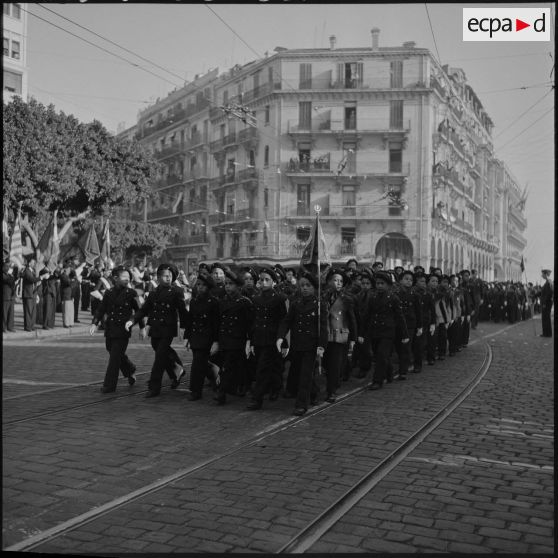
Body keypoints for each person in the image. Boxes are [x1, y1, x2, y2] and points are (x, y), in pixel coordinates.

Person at [132, 263, 188, 398]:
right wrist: (133, 320)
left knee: (159, 356)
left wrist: (183, 328)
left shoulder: (176, 292)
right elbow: (144, 309)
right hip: (155, 327)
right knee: (159, 350)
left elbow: (182, 311)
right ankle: (176, 370)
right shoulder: (153, 293)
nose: (168, 278)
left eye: (171, 276)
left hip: (168, 328)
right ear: (158, 277)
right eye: (165, 276)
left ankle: (154, 386)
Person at [276, 270, 328, 416]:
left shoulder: (319, 305)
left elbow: (323, 327)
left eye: (308, 285)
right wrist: (280, 336)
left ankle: (301, 405)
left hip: (311, 346)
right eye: (302, 285)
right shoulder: (296, 304)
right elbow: (287, 321)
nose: (305, 288)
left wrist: (322, 345)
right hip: (297, 345)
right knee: (302, 373)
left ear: (314, 287)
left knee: (305, 375)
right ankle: (313, 394)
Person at [90, 266, 140, 393]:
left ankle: (109, 385)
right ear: (116, 278)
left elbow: (139, 311)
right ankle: (130, 369)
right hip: (110, 328)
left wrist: (141, 326)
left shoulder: (132, 293)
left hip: (123, 330)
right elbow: (101, 309)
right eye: (124, 277)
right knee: (113, 352)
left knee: (114, 358)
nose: (127, 280)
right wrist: (94, 323)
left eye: (129, 278)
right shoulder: (109, 293)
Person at [246, 267, 288, 410]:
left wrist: (283, 341)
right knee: (269, 367)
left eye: (267, 280)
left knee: (264, 369)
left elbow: (284, 321)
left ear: (274, 282)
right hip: (259, 338)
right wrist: (251, 341)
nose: (263, 282)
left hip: (273, 339)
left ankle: (257, 399)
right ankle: (275, 388)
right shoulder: (256, 299)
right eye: (261, 280)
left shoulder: (280, 298)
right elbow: (253, 321)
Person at [214, 269, 253, 405]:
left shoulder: (244, 302)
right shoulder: (222, 301)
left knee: (229, 366)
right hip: (225, 339)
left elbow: (249, 323)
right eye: (226, 284)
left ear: (238, 286)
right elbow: (219, 322)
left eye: (231, 284)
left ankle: (222, 393)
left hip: (238, 339)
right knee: (237, 366)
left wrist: (249, 340)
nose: (228, 286)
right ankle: (240, 386)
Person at [364, 271, 409, 390]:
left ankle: (377, 380)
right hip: (375, 331)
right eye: (377, 283)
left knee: (382, 355)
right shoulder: (372, 297)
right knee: (378, 355)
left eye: (382, 283)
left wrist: (405, 334)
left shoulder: (393, 298)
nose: (379, 286)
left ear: (388, 285)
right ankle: (389, 371)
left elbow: (400, 317)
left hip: (388, 332)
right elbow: (367, 316)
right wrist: (363, 332)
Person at [183, 272, 220, 401]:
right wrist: (187, 337)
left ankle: (195, 391)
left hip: (207, 338)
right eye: (198, 285)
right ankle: (216, 377)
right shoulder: (194, 301)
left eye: (203, 285)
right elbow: (190, 320)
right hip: (195, 337)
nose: (200, 287)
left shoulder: (214, 302)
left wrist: (216, 341)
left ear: (209, 287)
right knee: (202, 364)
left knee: (197, 364)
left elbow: (216, 324)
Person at [322, 268, 357, 402]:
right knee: (326, 364)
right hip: (325, 335)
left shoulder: (346, 299)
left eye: (341, 281)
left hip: (339, 335)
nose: (338, 283)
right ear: (329, 281)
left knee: (335, 365)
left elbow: (352, 319)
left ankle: (332, 391)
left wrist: (353, 337)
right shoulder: (323, 297)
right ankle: (332, 384)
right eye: (335, 280)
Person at [392, 270, 422, 380]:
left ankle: (403, 371)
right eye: (406, 279)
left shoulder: (415, 295)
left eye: (410, 280)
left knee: (406, 347)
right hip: (397, 324)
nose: (408, 281)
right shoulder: (395, 294)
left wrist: (420, 326)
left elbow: (419, 312)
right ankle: (400, 366)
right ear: (400, 280)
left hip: (410, 324)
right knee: (398, 347)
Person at [21, 259, 39, 331]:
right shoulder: (27, 271)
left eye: (34, 262)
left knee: (33, 311)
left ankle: (32, 325)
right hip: (28, 294)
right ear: (29, 263)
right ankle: (28, 327)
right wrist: (41, 278)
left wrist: (36, 294)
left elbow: (35, 283)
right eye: (33, 262)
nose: (34, 264)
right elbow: (32, 279)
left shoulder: (33, 271)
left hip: (33, 294)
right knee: (28, 311)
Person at [2, 261, 17, 332]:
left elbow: (15, 280)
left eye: (9, 267)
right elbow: (9, 281)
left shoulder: (9, 275)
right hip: (5, 296)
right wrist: (11, 275)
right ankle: (3, 328)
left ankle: (10, 327)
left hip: (11, 295)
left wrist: (15, 268)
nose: (8, 268)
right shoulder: (4, 275)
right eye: (7, 266)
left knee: (11, 313)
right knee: (4, 313)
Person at [59, 264, 74, 328]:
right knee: (66, 311)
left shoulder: (67, 276)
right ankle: (66, 323)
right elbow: (68, 283)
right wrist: (73, 281)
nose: (70, 270)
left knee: (70, 310)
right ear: (65, 269)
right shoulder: (63, 276)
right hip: (65, 295)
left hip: (69, 295)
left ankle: (70, 322)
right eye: (69, 269)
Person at [540, 269, 553, 337]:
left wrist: (544, 303)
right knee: (545, 318)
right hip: (546, 303)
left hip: (546, 304)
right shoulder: (547, 282)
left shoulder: (548, 282)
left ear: (545, 274)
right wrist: (533, 295)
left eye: (542, 274)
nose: (542, 275)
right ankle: (546, 333)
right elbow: (542, 292)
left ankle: (547, 333)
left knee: (546, 318)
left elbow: (548, 294)